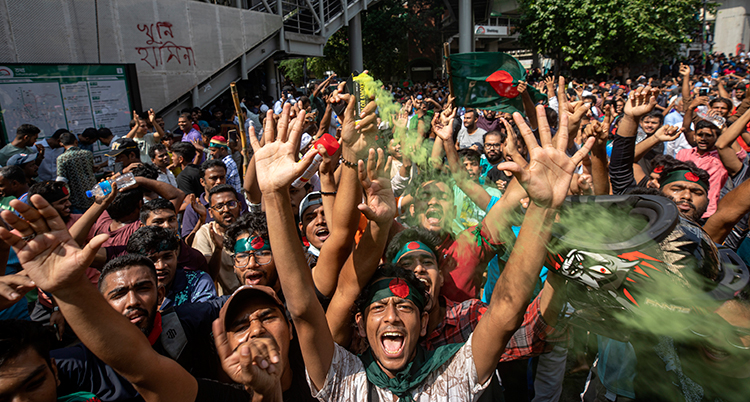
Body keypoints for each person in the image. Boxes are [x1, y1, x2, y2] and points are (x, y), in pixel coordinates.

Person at [248, 99, 593, 401]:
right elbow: (304, 308)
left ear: (425, 319)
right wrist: (274, 196)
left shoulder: (453, 374)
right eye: (379, 307)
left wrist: (543, 208)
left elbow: (506, 309)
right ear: (360, 322)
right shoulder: (343, 380)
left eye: (405, 307)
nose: (392, 317)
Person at [126, 226, 216, 309]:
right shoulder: (126, 290)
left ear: (176, 254)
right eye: (152, 260)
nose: (161, 266)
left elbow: (204, 316)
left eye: (167, 257)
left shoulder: (197, 282)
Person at [192, 184, 243, 295]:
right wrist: (218, 250)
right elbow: (207, 276)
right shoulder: (205, 234)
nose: (226, 210)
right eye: (219, 206)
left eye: (231, 204)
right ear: (210, 212)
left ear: (239, 206)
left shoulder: (248, 230)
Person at [55, 132, 96, 213]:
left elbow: (61, 179)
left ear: (61, 144)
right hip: (92, 192)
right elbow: (91, 168)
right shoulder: (87, 154)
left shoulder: (62, 158)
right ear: (76, 141)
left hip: (76, 197)